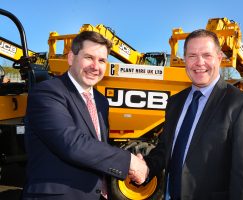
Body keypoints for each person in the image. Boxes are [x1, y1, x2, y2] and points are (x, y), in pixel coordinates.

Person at [138, 29, 243, 200]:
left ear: (219, 58)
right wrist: (146, 166)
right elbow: (166, 148)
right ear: (185, 60)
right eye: (192, 56)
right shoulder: (175, 102)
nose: (199, 62)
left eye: (207, 55)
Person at [22, 31, 148, 200]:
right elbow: (72, 143)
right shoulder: (47, 92)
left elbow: (95, 146)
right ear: (71, 58)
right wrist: (129, 161)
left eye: (102, 60)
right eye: (89, 57)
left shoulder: (101, 101)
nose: (95, 66)